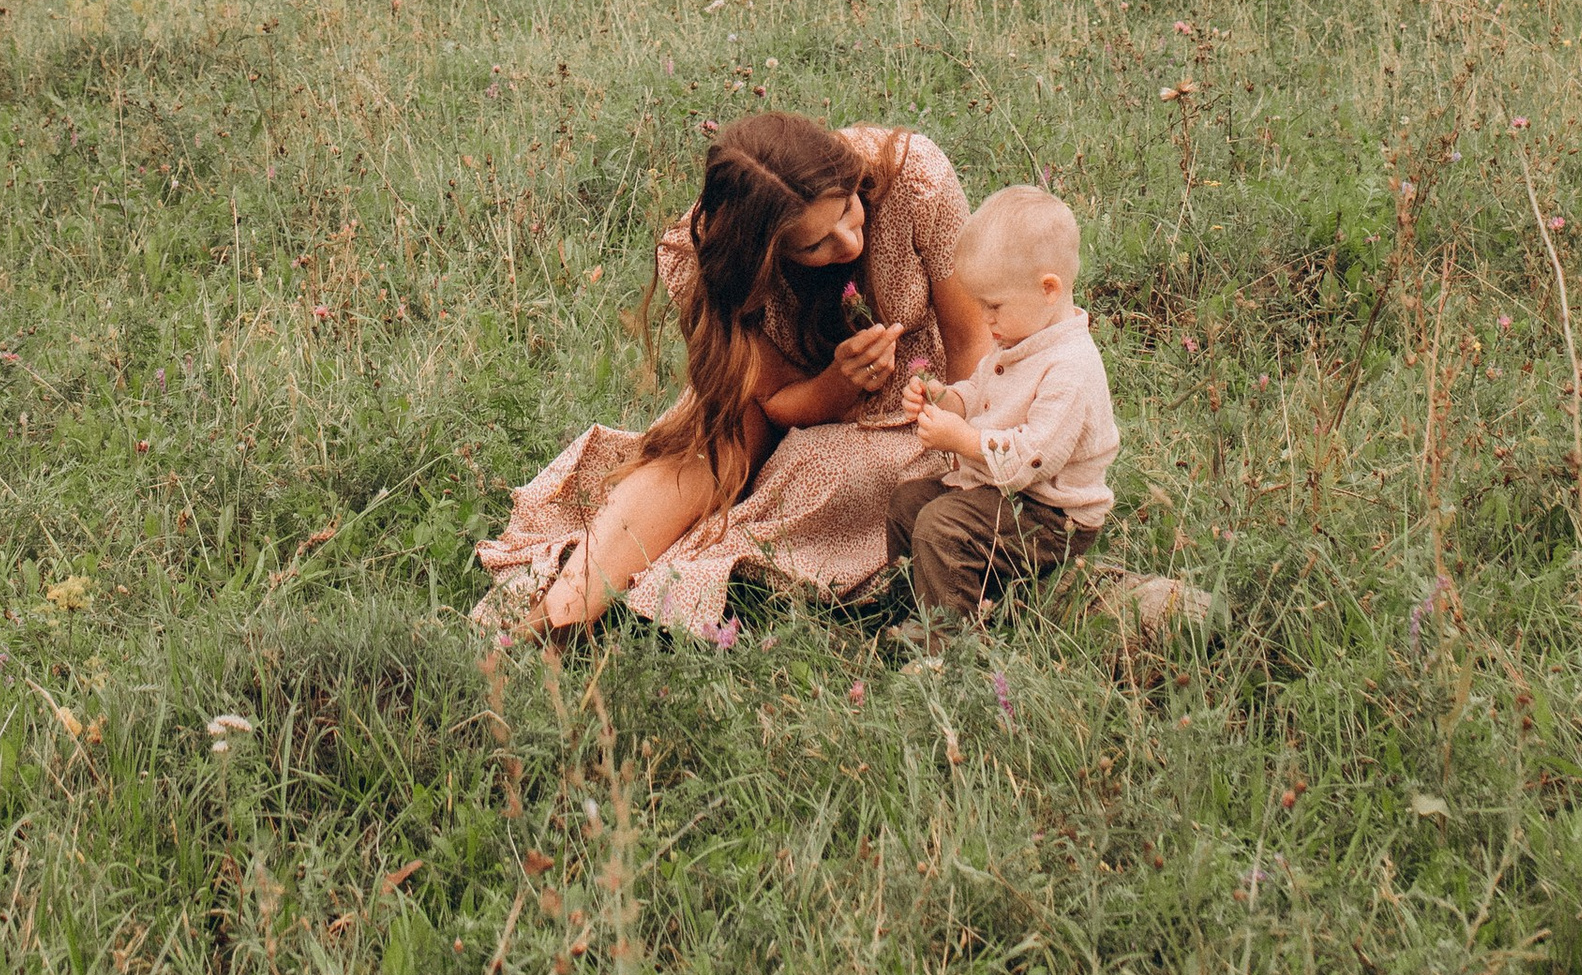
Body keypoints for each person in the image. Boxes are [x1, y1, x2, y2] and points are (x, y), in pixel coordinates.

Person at [473, 109, 986, 639]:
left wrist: (961, 435)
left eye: (848, 208)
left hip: (925, 408)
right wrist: (839, 383)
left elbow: (972, 341)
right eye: (814, 245)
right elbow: (775, 401)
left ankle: (674, 578)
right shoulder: (720, 252)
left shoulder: (913, 179)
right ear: (766, 254)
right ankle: (556, 620)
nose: (849, 244)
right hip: (795, 402)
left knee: (820, 470)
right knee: (705, 441)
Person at [888, 185, 1116, 625]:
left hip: (1051, 517)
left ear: (1048, 289)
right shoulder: (1018, 339)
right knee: (907, 502)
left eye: (993, 305)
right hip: (1005, 495)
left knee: (941, 525)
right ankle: (910, 617)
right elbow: (980, 393)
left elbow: (1033, 459)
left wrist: (963, 441)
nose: (984, 318)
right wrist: (945, 399)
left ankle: (949, 643)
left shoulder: (1070, 366)